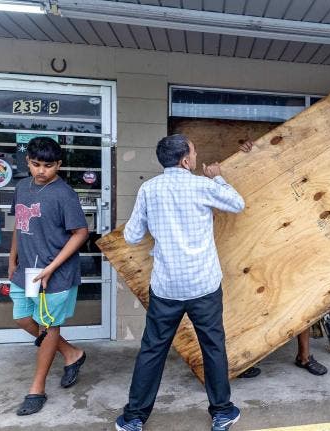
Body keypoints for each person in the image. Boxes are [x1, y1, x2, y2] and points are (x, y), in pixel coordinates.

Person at [115, 134, 244, 431]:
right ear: (185, 160)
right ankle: (222, 412)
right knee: (212, 346)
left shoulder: (149, 189)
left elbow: (132, 236)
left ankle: (134, 418)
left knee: (153, 349)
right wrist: (219, 179)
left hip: (166, 286)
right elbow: (237, 204)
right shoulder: (202, 185)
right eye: (194, 153)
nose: (196, 158)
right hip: (203, 284)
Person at [7, 137, 89, 415]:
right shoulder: (21, 187)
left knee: (47, 327)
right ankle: (71, 353)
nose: (42, 171)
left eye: (48, 166)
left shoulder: (64, 194)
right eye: (36, 164)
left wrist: (52, 267)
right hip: (27, 270)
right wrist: (12, 258)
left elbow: (81, 232)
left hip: (55, 273)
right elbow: (19, 224)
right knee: (22, 317)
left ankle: (36, 389)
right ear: (28, 162)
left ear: (59, 165)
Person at [235, 139, 328, 378]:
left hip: (296, 247)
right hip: (262, 246)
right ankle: (245, 356)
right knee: (256, 303)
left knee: (302, 305)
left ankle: (304, 357)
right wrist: (248, 154)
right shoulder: (268, 177)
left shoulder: (307, 179)